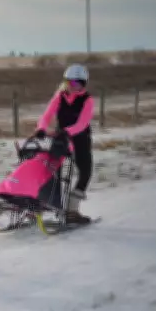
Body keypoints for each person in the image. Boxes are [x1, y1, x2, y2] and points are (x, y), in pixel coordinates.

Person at [33, 64, 95, 224]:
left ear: (84, 84)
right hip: (61, 139)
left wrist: (67, 131)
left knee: (85, 171)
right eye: (70, 82)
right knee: (51, 170)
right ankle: (47, 202)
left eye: (77, 83)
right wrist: (41, 128)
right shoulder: (60, 96)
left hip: (80, 138)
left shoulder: (88, 100)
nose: (73, 86)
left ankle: (72, 210)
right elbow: (47, 115)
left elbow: (82, 123)